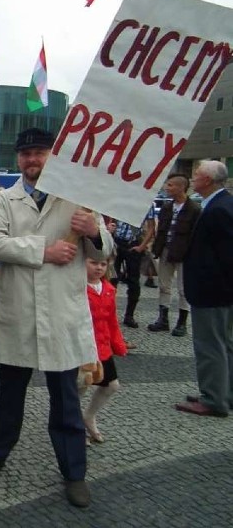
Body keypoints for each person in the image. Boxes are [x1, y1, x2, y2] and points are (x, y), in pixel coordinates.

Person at [0, 128, 113, 509]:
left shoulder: (76, 199)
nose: (32, 160)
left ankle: (74, 472)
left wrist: (94, 231)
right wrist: (42, 251)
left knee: (65, 399)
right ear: (18, 160)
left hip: (61, 314)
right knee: (9, 393)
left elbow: (106, 248)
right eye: (26, 154)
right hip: (18, 312)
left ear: (53, 156)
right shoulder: (5, 200)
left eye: (40, 153)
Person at [176, 161, 233, 418]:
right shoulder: (221, 204)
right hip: (220, 291)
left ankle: (213, 399)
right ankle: (224, 393)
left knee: (210, 346)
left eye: (197, 175)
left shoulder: (218, 209)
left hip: (213, 292)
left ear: (208, 180)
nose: (193, 178)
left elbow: (226, 256)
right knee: (225, 344)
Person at [82, 257, 128, 443]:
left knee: (111, 385)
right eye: (94, 263)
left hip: (102, 348)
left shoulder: (108, 289)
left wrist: (118, 344)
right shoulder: (78, 288)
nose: (99, 268)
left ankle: (89, 415)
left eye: (103, 264)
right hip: (83, 346)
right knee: (78, 387)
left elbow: (112, 320)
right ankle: (73, 424)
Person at [149, 173, 200, 336]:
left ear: (181, 187)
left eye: (170, 185)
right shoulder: (166, 207)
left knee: (183, 289)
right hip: (166, 250)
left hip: (185, 253)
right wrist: (156, 249)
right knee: (164, 285)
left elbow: (196, 235)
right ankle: (163, 319)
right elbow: (161, 231)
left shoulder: (194, 209)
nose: (166, 188)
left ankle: (182, 323)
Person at [109, 206, 156, 328]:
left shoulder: (147, 203)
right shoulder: (122, 198)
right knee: (111, 278)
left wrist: (142, 246)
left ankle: (129, 315)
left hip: (133, 243)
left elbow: (151, 227)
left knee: (133, 281)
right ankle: (108, 312)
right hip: (117, 242)